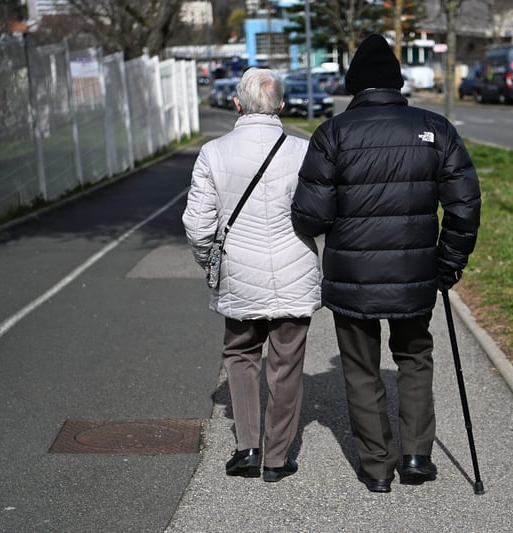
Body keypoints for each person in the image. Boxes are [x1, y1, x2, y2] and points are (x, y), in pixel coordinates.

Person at [291, 34, 481, 493]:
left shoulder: (333, 133)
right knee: (414, 356)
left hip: (353, 275)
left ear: (354, 85)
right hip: (415, 272)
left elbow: (311, 217)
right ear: (398, 83)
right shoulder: (435, 128)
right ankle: (416, 455)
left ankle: (377, 467)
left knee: (361, 368)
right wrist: (449, 260)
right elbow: (464, 204)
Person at [183, 68, 321, 482]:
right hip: (294, 269)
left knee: (241, 354)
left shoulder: (213, 153)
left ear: (237, 104)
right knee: (287, 362)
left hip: (239, 270)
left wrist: (210, 262)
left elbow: (198, 226)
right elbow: (320, 213)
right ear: (282, 105)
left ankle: (247, 446)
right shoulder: (305, 151)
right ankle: (277, 458)